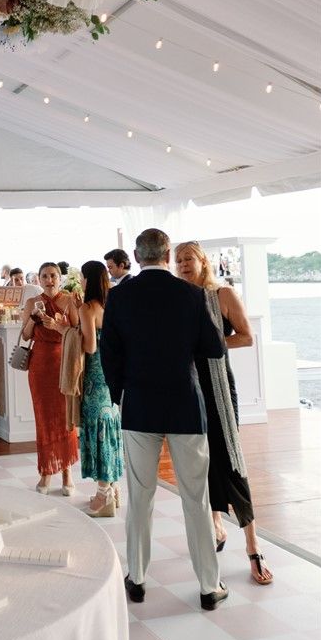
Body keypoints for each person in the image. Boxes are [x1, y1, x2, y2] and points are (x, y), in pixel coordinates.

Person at [100, 228, 229, 611]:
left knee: (140, 496)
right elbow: (214, 347)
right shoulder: (192, 294)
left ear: (137, 258)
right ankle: (209, 585)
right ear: (168, 254)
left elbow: (110, 353)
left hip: (138, 404)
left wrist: (120, 394)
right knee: (196, 498)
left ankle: (137, 578)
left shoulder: (120, 296)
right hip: (185, 405)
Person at [174, 241, 273, 585]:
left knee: (232, 462)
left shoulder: (223, 294)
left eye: (190, 258)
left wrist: (210, 345)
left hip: (216, 387)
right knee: (199, 461)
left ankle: (253, 545)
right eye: (179, 259)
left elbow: (246, 338)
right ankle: (216, 526)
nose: (184, 264)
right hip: (188, 388)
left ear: (203, 262)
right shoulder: (179, 299)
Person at [21, 262, 80, 495]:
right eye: (44, 276)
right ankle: (46, 472)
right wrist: (33, 320)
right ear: (38, 279)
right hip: (39, 365)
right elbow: (25, 336)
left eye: (53, 275)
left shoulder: (69, 301)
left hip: (63, 362)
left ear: (60, 277)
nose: (49, 280)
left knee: (65, 417)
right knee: (44, 418)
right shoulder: (31, 303)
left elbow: (78, 335)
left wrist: (57, 326)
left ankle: (67, 472)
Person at [76, 260, 123, 517]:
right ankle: (113, 488)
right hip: (112, 374)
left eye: (82, 277)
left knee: (96, 429)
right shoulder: (112, 303)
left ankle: (103, 493)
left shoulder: (87, 307)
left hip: (95, 374)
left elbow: (90, 347)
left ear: (87, 279)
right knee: (110, 426)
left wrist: (68, 331)